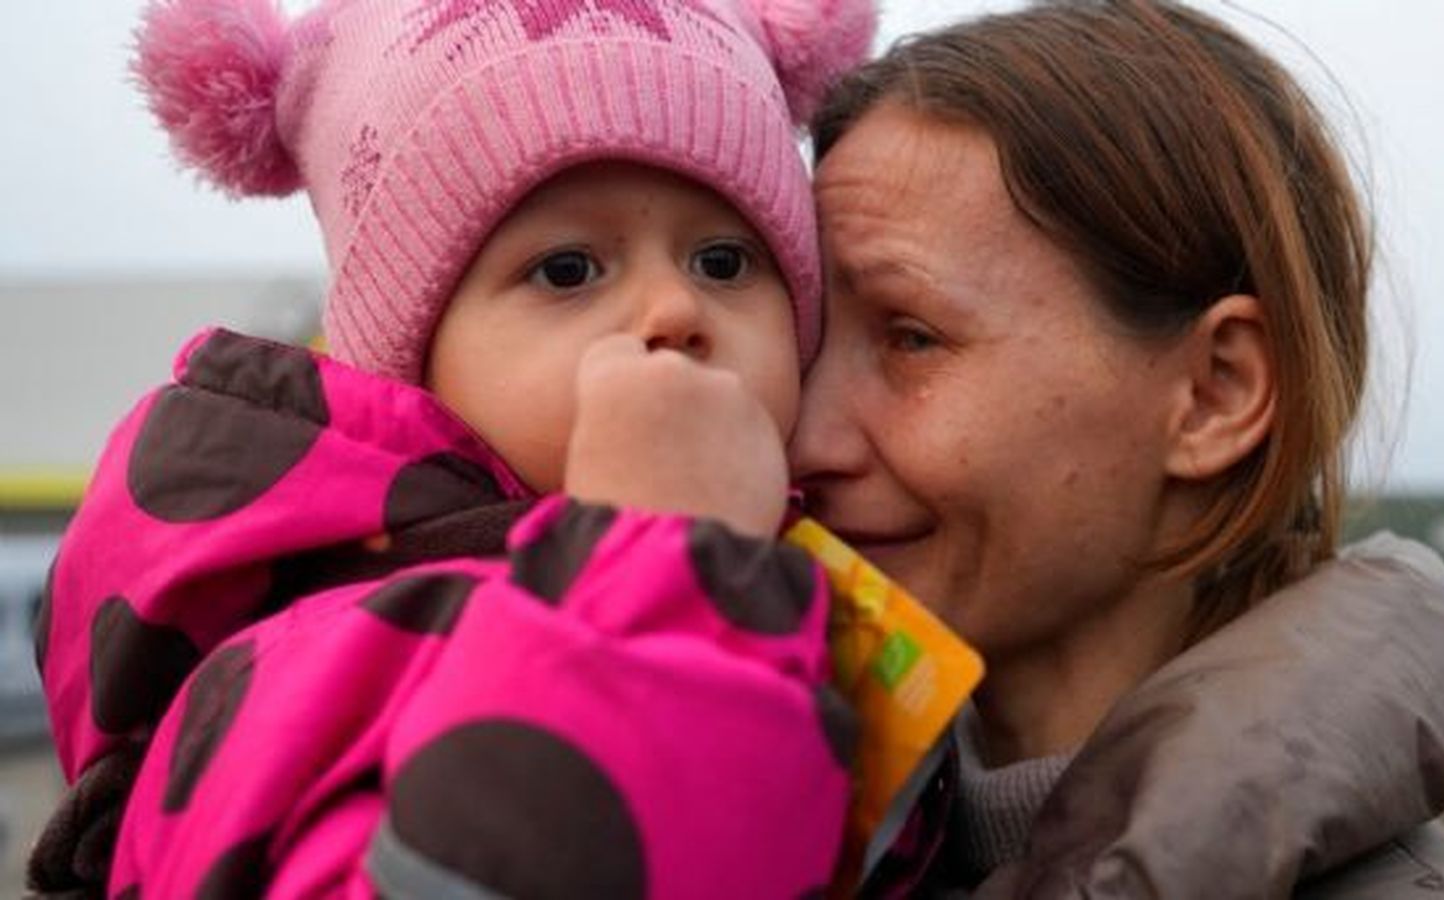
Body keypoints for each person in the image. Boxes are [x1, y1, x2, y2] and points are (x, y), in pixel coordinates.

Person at [29, 0, 875, 896]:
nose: (675, 310)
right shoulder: (323, 651)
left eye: (724, 262)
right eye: (567, 270)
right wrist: (662, 582)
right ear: (413, 360)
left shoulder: (802, 577)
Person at [791, 1, 1444, 896]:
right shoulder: (796, 844)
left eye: (911, 338)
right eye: (808, 337)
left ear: (1217, 393)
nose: (805, 439)